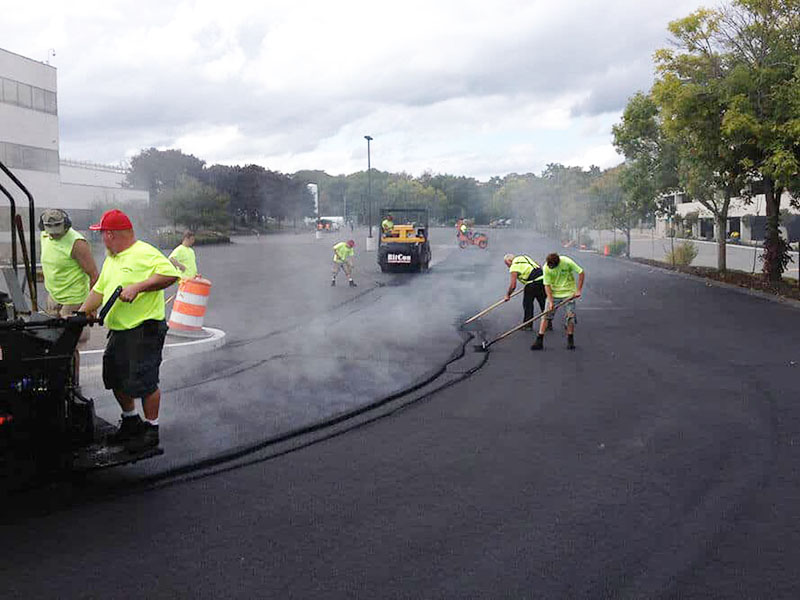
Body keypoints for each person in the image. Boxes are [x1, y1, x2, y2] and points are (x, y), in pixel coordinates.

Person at [78, 209, 180, 451]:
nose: (100, 238)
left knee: (144, 381)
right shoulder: (112, 258)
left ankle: (151, 429)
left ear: (111, 235)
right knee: (114, 376)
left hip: (144, 329)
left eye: (102, 234)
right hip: (119, 330)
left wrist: (139, 287)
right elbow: (99, 291)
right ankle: (131, 420)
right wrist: (80, 315)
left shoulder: (144, 252)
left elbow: (170, 275)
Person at [39, 209, 99, 343]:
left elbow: (94, 275)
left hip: (74, 300)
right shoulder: (44, 236)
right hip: (53, 297)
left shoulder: (77, 243)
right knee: (49, 340)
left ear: (66, 225)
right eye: (50, 231)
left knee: (69, 344)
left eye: (57, 231)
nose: (54, 235)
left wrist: (91, 307)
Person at [531, 253, 584, 351]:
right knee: (546, 316)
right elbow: (547, 285)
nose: (550, 267)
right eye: (549, 265)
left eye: (552, 266)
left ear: (558, 263)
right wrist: (550, 301)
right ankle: (539, 340)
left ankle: (570, 339)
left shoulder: (567, 262)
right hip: (554, 294)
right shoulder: (546, 268)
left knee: (570, 317)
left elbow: (581, 272)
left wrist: (579, 290)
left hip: (569, 293)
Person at [503, 253, 545, 330]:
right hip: (542, 280)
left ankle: (527, 325)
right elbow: (538, 266)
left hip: (531, 284)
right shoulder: (524, 257)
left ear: (510, 260)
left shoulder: (514, 267)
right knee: (543, 303)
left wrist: (508, 295)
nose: (507, 266)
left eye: (507, 264)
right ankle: (548, 324)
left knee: (527, 304)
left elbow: (513, 286)